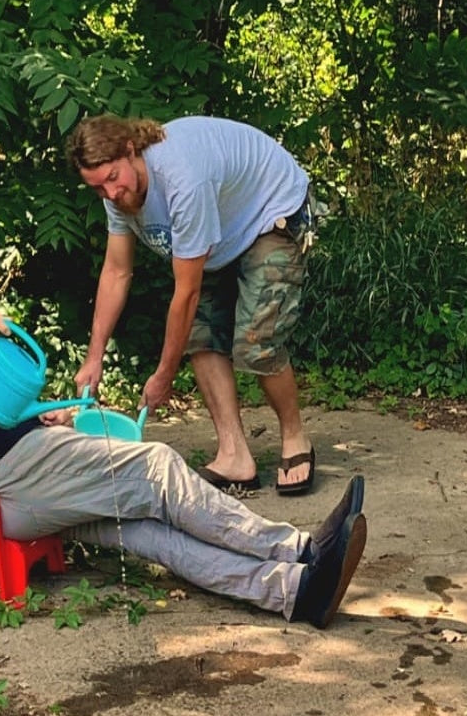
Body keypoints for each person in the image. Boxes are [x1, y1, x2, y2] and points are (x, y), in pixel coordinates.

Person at [0, 183, 366, 628]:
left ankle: (296, 592)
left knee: (148, 532)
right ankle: (299, 548)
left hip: (5, 480)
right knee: (156, 468)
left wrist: (33, 414)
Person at [65, 113, 317, 496]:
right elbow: (116, 272)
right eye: (98, 189)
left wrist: (164, 376)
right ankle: (234, 455)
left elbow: (186, 295)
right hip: (220, 231)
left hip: (271, 212)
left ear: (130, 151)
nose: (111, 195)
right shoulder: (116, 194)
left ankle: (295, 438)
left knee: (256, 343)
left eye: (114, 179)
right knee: (200, 335)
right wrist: (94, 356)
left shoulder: (182, 177)